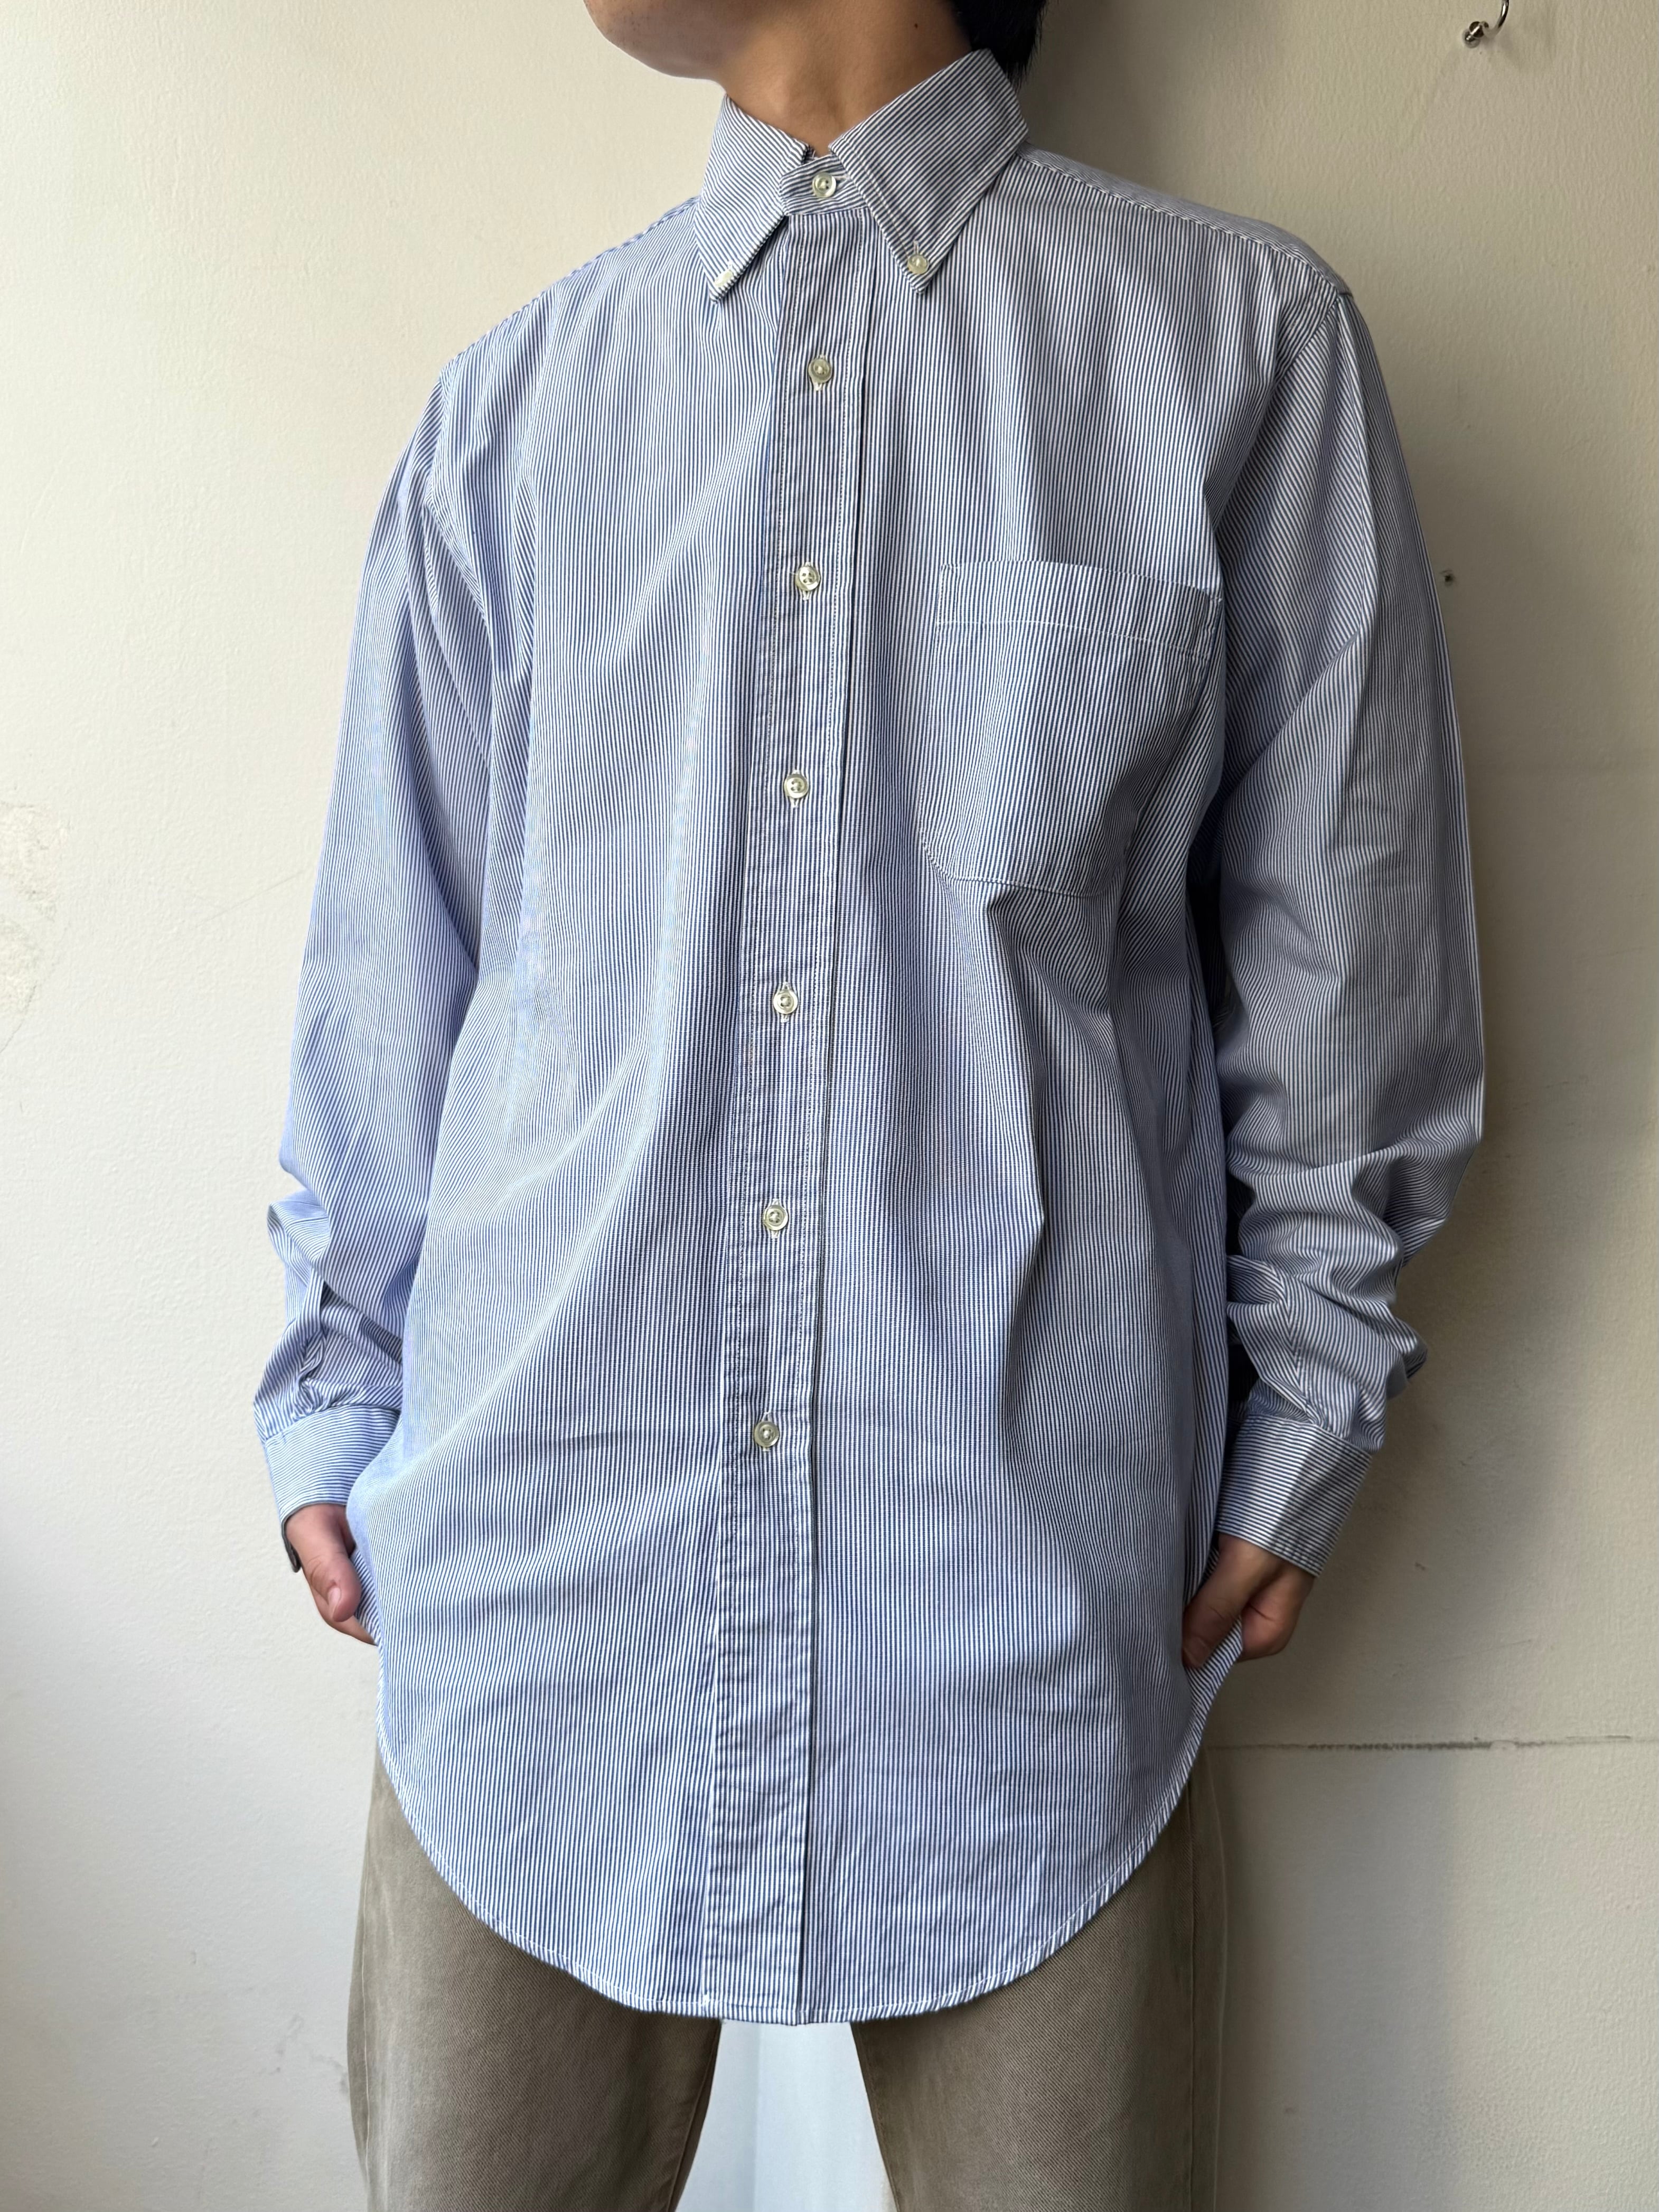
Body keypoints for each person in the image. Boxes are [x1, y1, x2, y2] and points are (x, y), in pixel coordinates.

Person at [255, 0, 1484, 2200]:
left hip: (1029, 1581)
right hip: (535, 1578)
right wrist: (337, 1392)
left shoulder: (1235, 352)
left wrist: (1304, 1415)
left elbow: (1346, 953)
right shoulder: (516, 411)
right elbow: (396, 961)